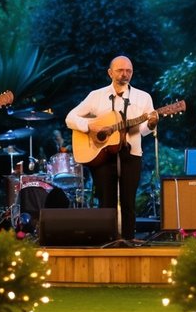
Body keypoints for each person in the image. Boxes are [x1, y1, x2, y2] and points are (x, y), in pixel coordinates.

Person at [66, 55, 158, 242]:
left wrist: (151, 124)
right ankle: (106, 240)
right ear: (110, 72)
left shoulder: (143, 97)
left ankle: (129, 240)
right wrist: (91, 126)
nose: (125, 74)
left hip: (131, 152)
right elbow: (70, 118)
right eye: (120, 70)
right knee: (105, 200)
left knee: (128, 200)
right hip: (101, 154)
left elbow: (142, 130)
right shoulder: (96, 96)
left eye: (129, 71)